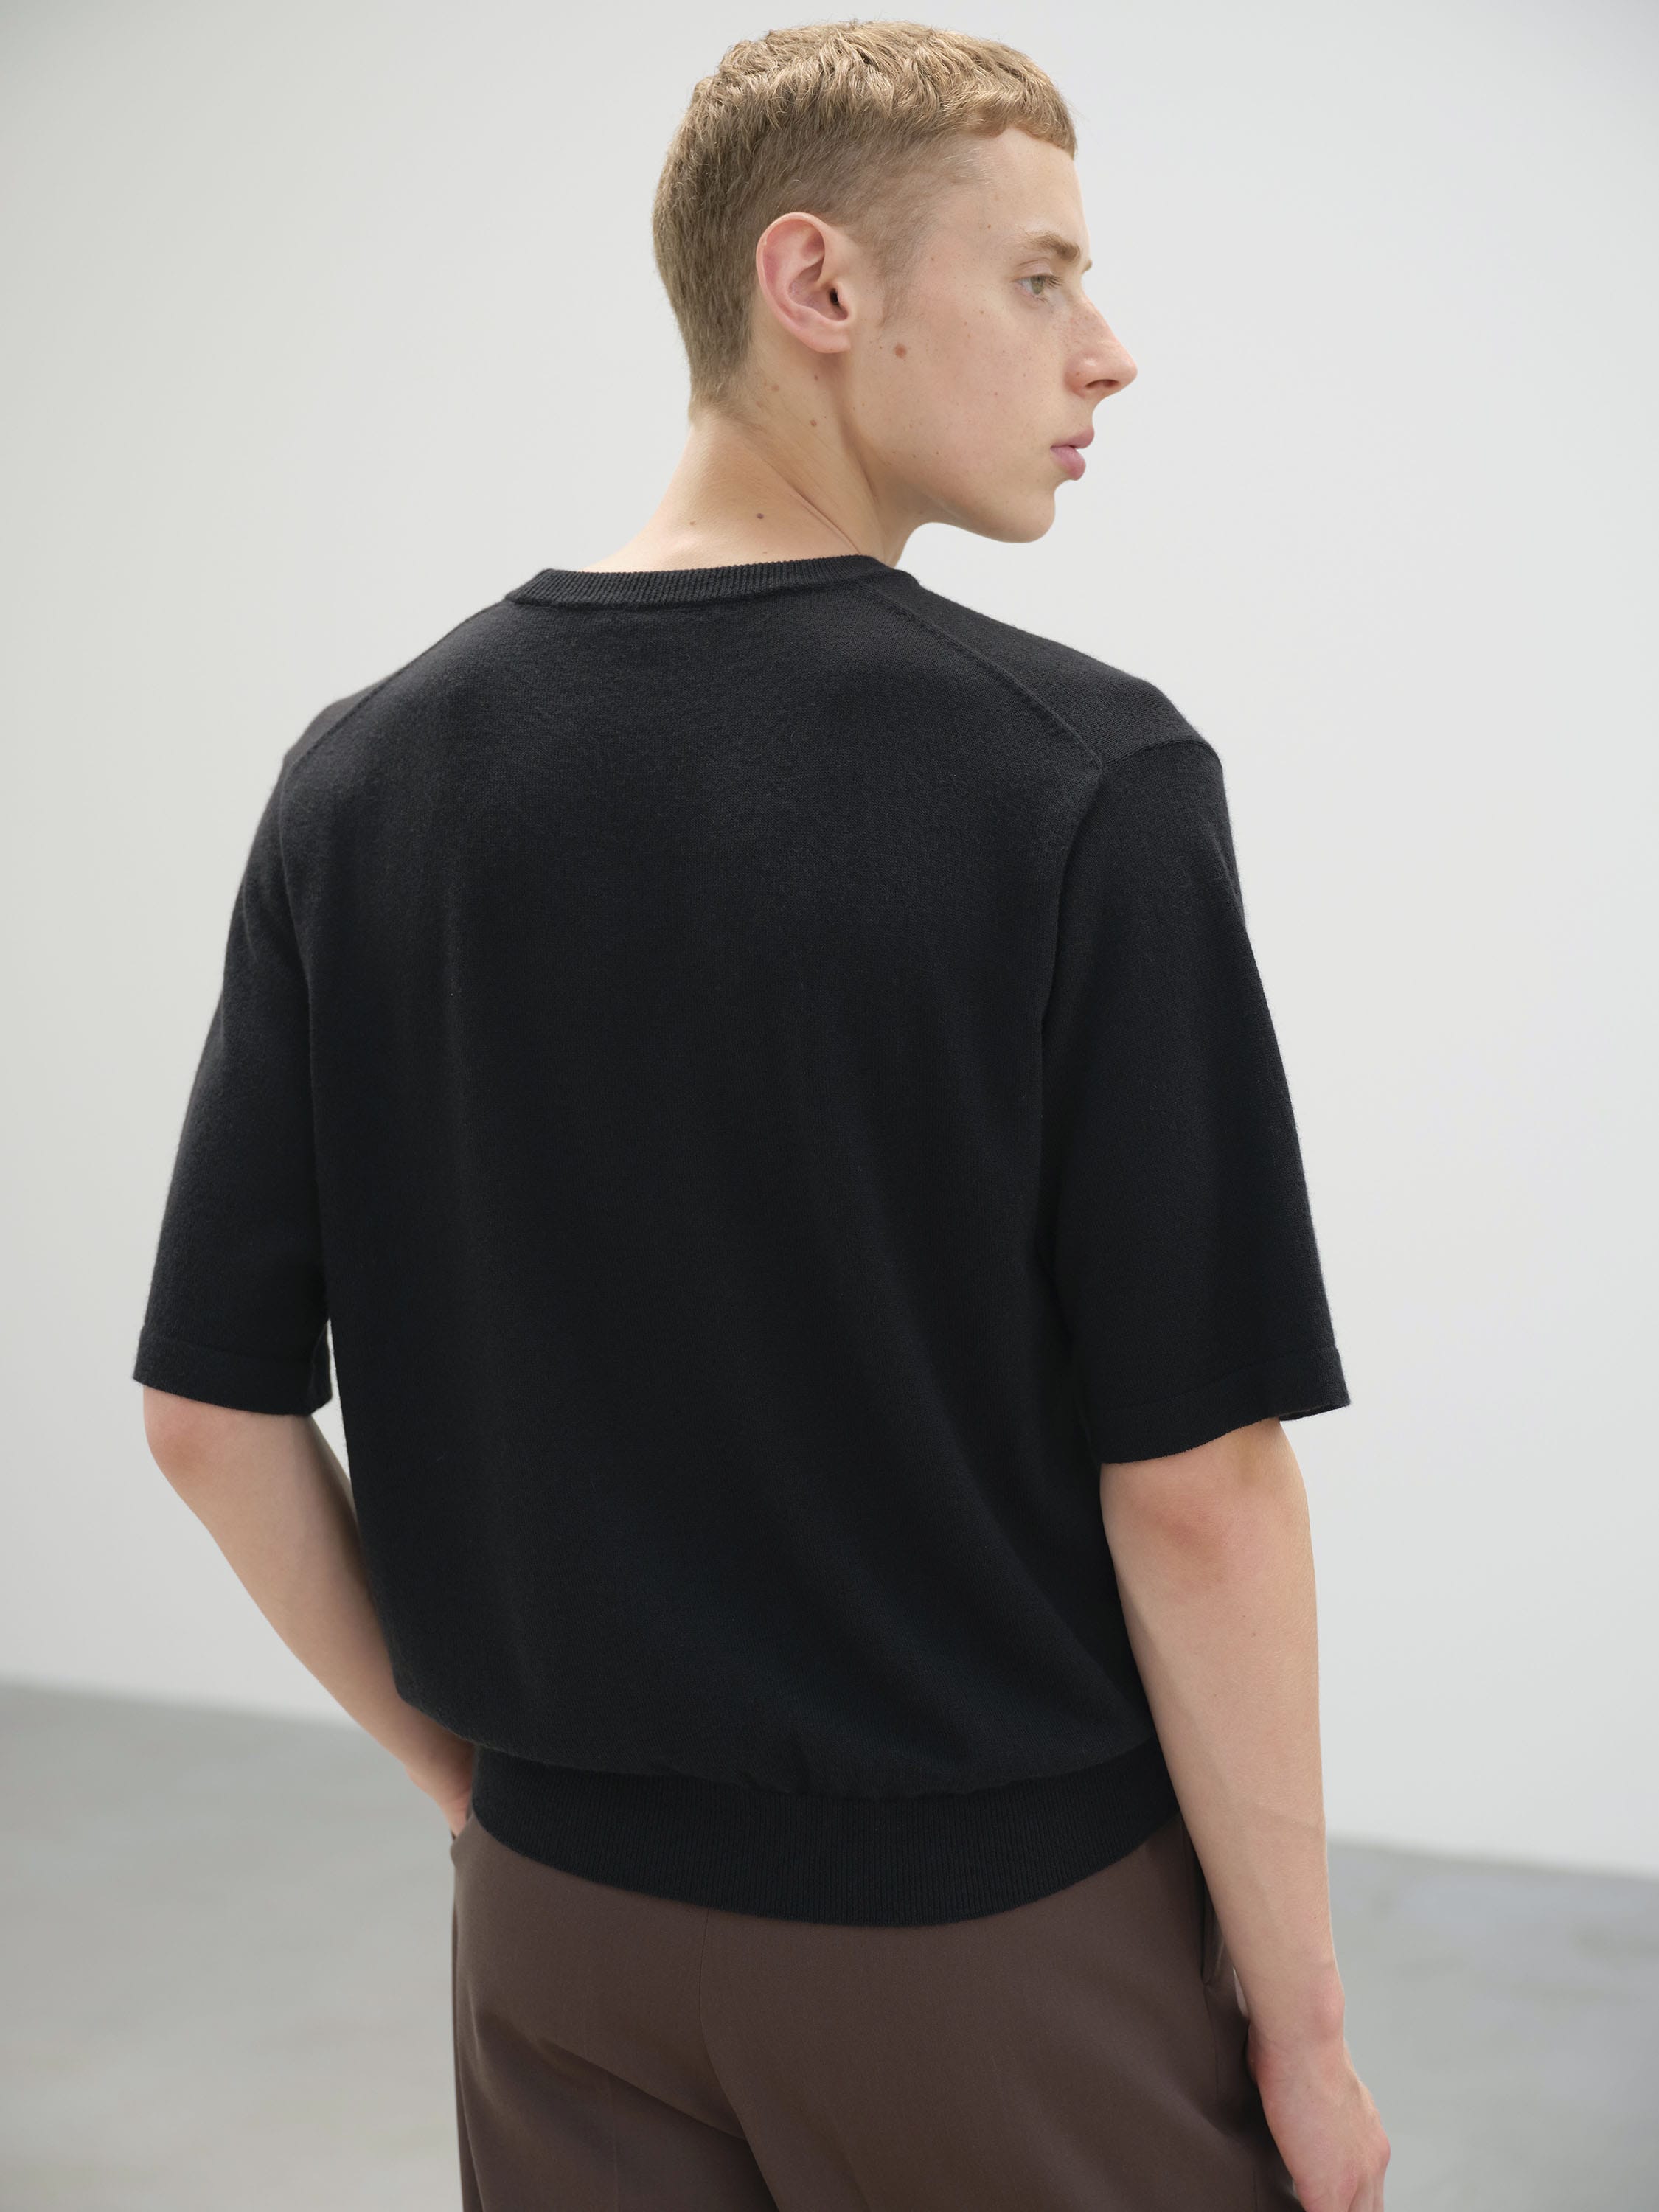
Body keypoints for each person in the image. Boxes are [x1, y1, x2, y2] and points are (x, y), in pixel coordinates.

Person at [133, 18, 1391, 2210]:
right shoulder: (1079, 782)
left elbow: (208, 1417)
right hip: (988, 1948)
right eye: (1038, 277)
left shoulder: (367, 775)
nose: (1107, 352)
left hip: (556, 1945)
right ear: (816, 283)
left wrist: (504, 1805)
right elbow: (1196, 1484)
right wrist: (1300, 2028)